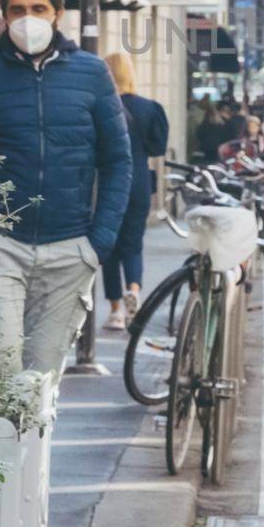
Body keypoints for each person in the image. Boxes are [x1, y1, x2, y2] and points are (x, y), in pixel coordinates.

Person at [0, 0, 132, 377]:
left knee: (41, 385)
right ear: (4, 15)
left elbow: (118, 161)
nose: (28, 19)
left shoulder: (92, 74)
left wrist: (98, 243)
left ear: (57, 13)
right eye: (17, 10)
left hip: (69, 251)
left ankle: (34, 446)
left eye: (39, 9)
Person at [99, 53, 169, 332]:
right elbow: (158, 148)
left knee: (109, 246)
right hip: (138, 180)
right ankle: (134, 288)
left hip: (106, 181)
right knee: (133, 242)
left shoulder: (102, 106)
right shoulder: (149, 108)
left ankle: (116, 309)